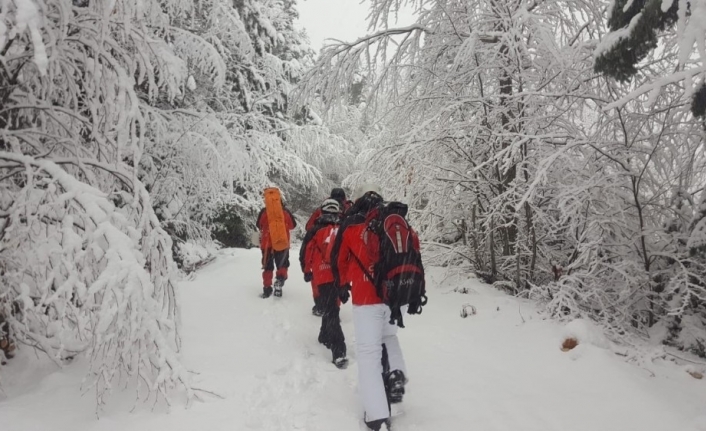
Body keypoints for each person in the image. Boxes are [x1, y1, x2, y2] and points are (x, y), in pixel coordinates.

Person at [331, 183, 415, 431]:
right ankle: (397, 372)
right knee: (389, 337)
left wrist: (344, 284)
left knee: (368, 356)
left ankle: (377, 417)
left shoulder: (352, 229)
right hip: (393, 298)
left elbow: (339, 261)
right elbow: (413, 252)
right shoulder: (395, 225)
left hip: (366, 301)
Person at [299, 199, 348, 368]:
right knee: (332, 308)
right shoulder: (343, 230)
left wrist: (306, 270)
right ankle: (332, 344)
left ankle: (331, 344)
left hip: (322, 275)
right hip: (339, 276)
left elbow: (306, 251)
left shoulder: (314, 230)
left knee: (331, 309)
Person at [305, 188, 353, 315]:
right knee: (338, 278)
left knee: (318, 278)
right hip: (341, 253)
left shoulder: (322, 208)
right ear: (344, 198)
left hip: (321, 252)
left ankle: (320, 305)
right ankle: (334, 307)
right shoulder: (348, 209)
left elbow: (308, 227)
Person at [256, 189, 296, 298]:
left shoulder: (264, 212)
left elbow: (259, 225)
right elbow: (293, 225)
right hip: (282, 242)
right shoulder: (285, 212)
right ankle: (280, 280)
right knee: (282, 264)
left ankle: (267, 288)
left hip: (267, 243)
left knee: (268, 266)